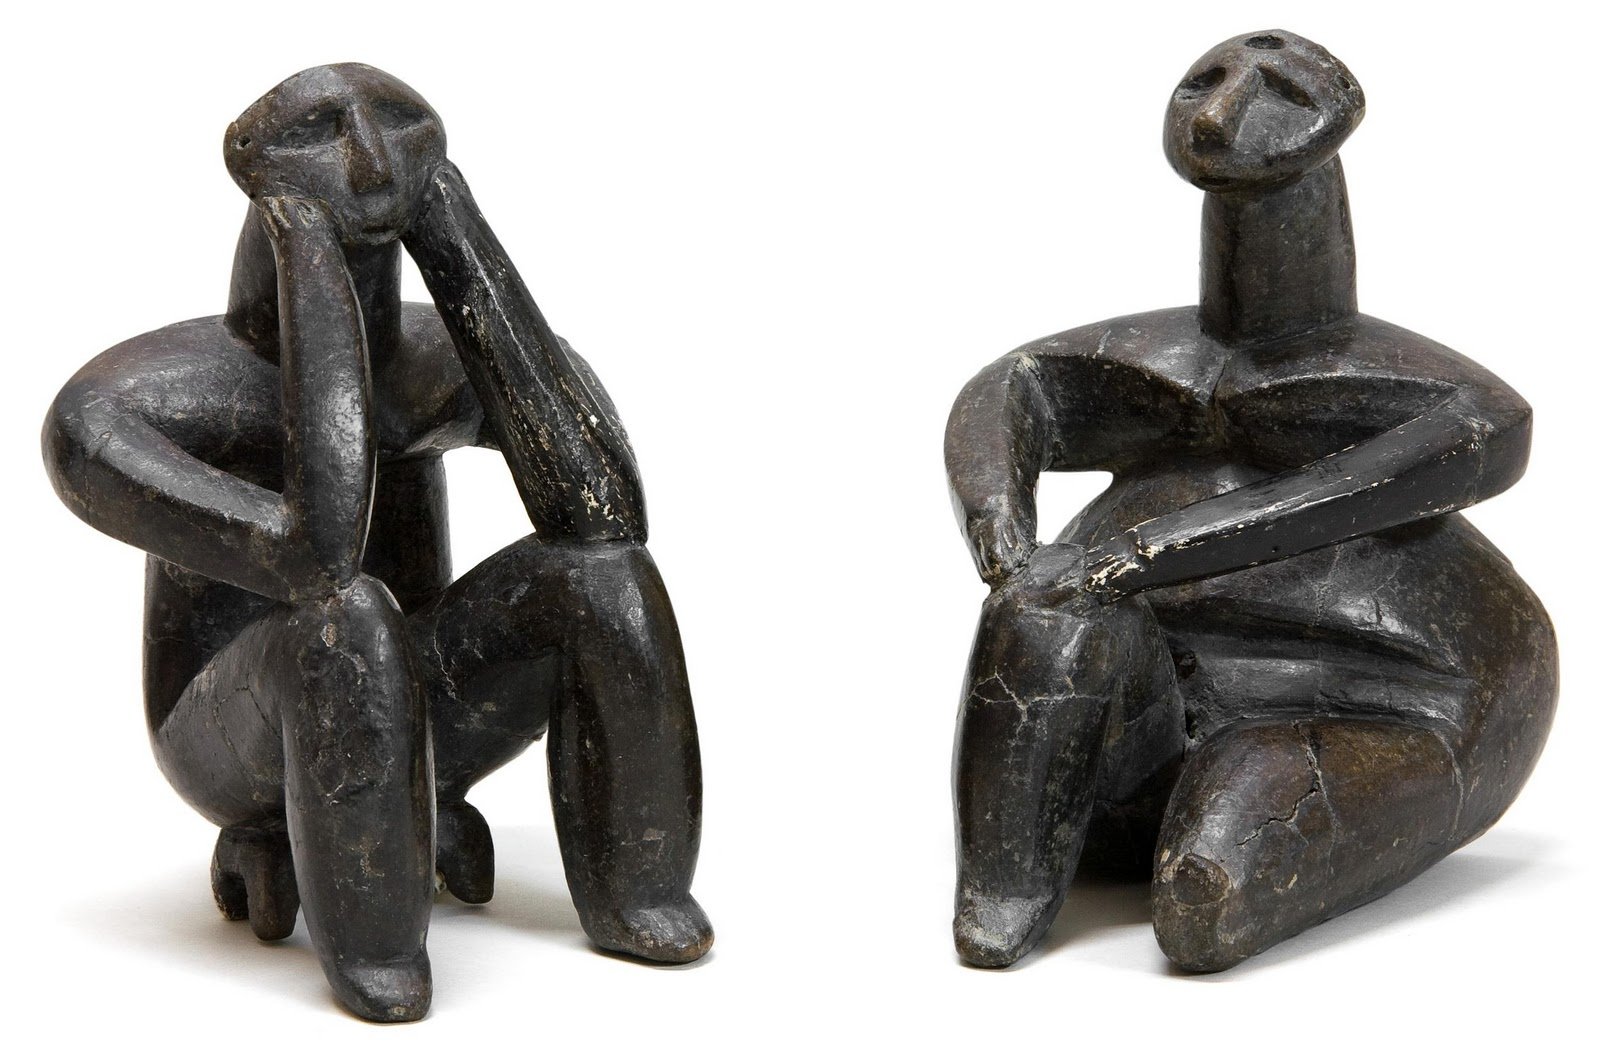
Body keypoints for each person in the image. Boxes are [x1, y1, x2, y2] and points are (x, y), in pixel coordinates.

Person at [44, 63, 711, 1022]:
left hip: (416, 689)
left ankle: (637, 890)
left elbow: (608, 508)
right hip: (232, 731)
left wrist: (455, 234)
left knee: (604, 580)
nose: (369, 163)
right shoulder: (121, 405)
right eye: (322, 132)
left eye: (399, 123)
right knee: (345, 617)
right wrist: (310, 255)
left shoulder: (434, 353)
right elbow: (318, 556)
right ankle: (378, 950)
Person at [944, 30, 1557, 972]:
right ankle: (1003, 892)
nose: (1223, 114)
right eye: (1207, 84)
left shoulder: (1441, 397)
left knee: (1208, 889)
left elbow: (1359, 486)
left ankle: (1205, 832)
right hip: (1155, 692)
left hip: (1388, 700)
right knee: (1040, 604)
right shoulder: (1151, 364)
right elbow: (1009, 391)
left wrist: (1141, 554)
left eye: (1276, 93)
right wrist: (1000, 524)